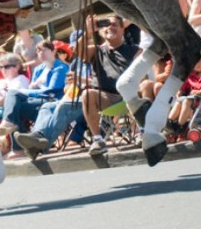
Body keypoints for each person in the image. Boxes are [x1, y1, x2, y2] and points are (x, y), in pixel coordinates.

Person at [15, 15, 141, 158]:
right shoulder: (97, 50)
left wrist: (81, 80)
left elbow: (132, 77)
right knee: (47, 107)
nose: (110, 27)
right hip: (95, 97)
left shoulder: (134, 50)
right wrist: (88, 31)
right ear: (100, 31)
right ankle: (37, 140)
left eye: (114, 25)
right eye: (105, 25)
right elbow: (78, 51)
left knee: (77, 99)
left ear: (122, 29)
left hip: (119, 96)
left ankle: (97, 140)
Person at [0, 40, 69, 156]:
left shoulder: (60, 67)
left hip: (54, 102)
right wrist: (31, 90)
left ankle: (9, 126)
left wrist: (28, 91)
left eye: (44, 50)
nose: (41, 53)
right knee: (14, 107)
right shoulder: (39, 69)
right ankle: (18, 147)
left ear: (53, 51)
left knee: (13, 93)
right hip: (38, 102)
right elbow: (32, 88)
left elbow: (52, 90)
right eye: (38, 50)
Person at [165, 55, 201, 135]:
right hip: (193, 100)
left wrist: (200, 91)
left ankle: (181, 126)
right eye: (194, 62)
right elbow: (182, 89)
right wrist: (179, 93)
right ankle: (170, 123)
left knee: (187, 100)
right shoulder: (191, 75)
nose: (197, 64)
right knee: (179, 101)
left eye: (200, 61)